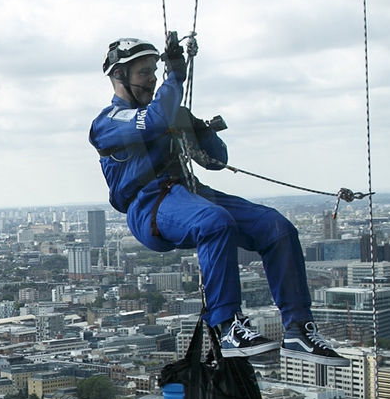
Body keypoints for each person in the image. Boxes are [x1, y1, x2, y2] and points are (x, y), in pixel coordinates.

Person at [89, 33, 340, 359]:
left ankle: (298, 330)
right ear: (119, 76)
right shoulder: (107, 122)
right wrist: (176, 77)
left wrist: (198, 129)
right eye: (144, 72)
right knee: (214, 221)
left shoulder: (166, 113)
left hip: (188, 192)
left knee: (276, 227)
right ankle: (226, 327)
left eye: (154, 71)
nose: (152, 78)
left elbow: (216, 160)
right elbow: (151, 122)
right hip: (150, 204)